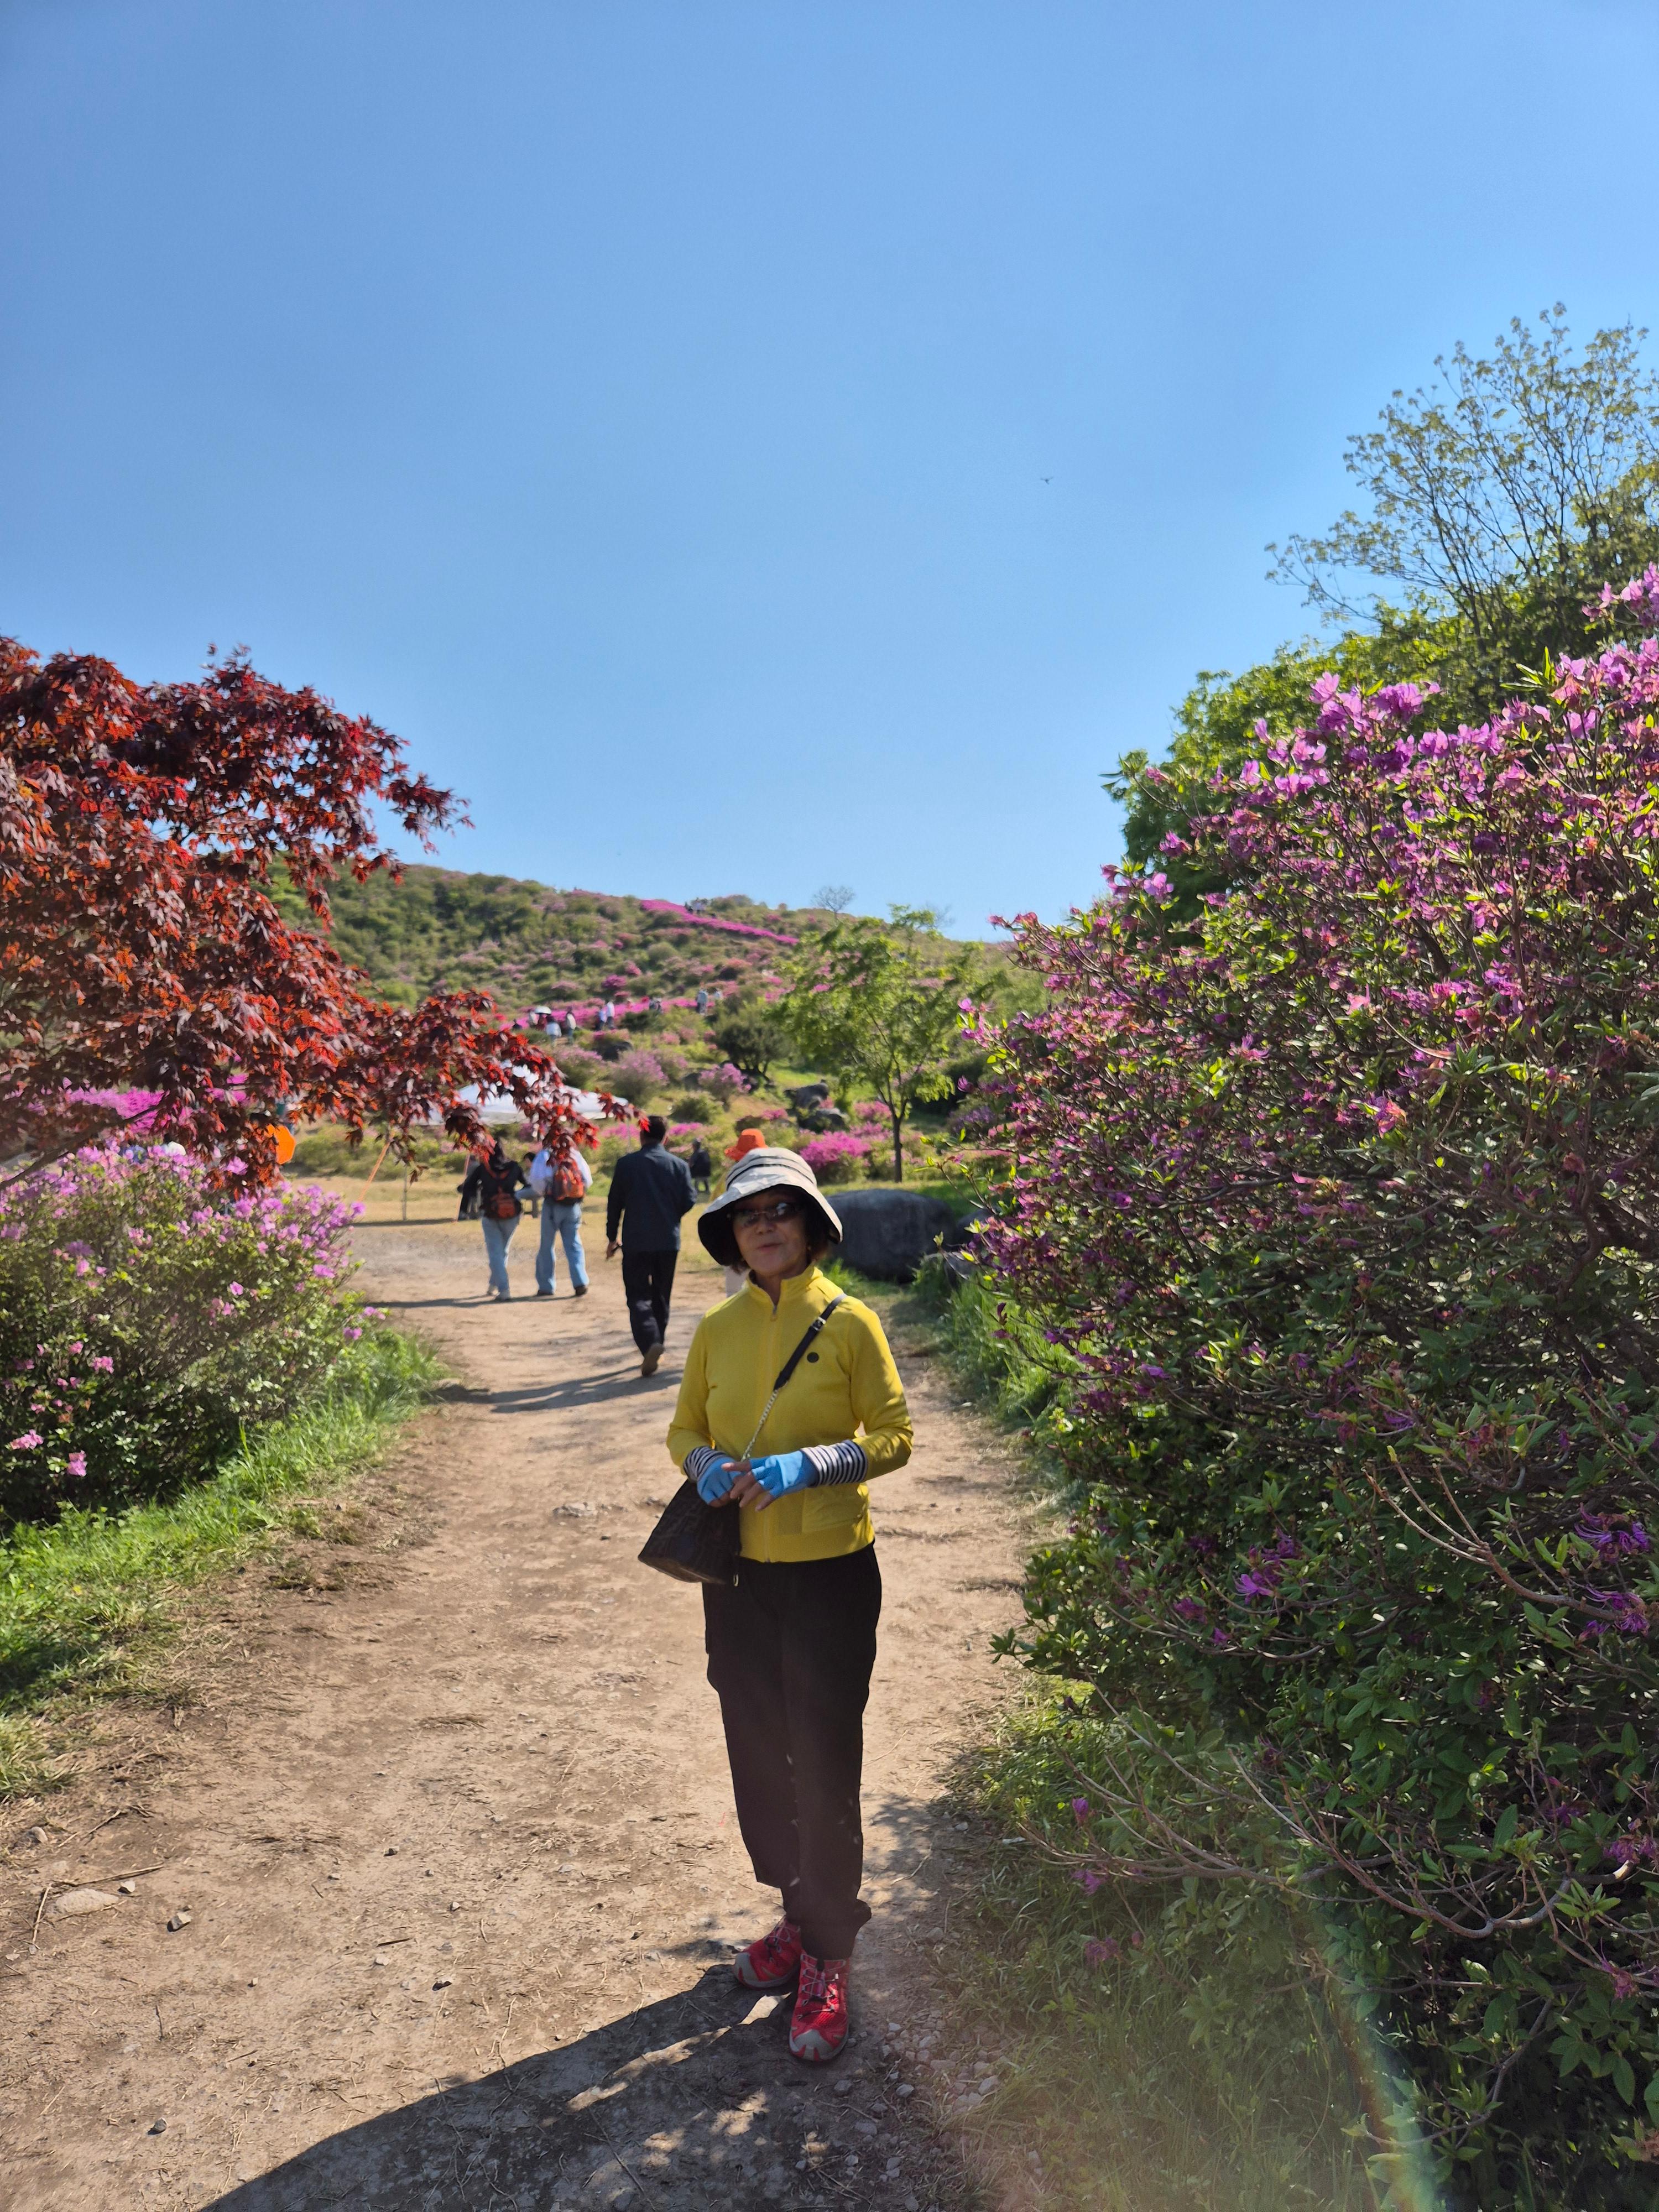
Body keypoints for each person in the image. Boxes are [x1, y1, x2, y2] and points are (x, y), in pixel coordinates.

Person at [666, 1147, 912, 2065]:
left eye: (781, 1209)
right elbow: (684, 1427)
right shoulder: (716, 1329)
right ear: (731, 1235)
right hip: (738, 1578)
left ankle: (829, 1951)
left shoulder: (851, 1323)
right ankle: (798, 1914)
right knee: (757, 1753)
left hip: (831, 1575)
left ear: (811, 1226)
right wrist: (702, 1462)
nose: (764, 1224)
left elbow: (895, 1437)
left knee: (823, 1755)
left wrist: (813, 1464)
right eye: (747, 1213)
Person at [605, 1114, 696, 1376]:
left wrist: (612, 1237)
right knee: (661, 1295)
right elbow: (689, 1199)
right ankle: (658, 1343)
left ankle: (650, 1343)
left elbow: (615, 1203)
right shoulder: (679, 1166)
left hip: (636, 1241)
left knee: (637, 1296)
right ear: (665, 1137)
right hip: (668, 1240)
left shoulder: (627, 1164)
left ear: (641, 1135)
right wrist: (671, 1215)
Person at [457, 1138, 531, 1300]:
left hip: (490, 1212)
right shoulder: (514, 1166)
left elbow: (467, 1187)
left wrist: (480, 1192)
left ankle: (504, 1290)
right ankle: (493, 1284)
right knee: (503, 1251)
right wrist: (514, 1195)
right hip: (511, 1214)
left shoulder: (483, 1167)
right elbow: (528, 1185)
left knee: (495, 1254)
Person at [529, 1135, 592, 1299]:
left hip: (552, 1205)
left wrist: (547, 1191)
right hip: (573, 1206)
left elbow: (536, 1181)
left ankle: (546, 1286)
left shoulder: (545, 1155)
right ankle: (580, 1282)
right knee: (574, 1244)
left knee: (547, 1246)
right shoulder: (575, 1155)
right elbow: (588, 1180)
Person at [720, 1128, 768, 1297]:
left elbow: (716, 1206)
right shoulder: (773, 1177)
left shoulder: (729, 1178)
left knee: (734, 1292)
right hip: (767, 1238)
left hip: (736, 1238)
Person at [687, 1136, 712, 1201]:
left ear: (694, 1146)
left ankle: (696, 1190)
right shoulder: (705, 1152)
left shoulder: (696, 1154)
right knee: (705, 1180)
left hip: (698, 1173)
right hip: (706, 1172)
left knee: (696, 1181)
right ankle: (707, 1189)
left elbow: (691, 1164)